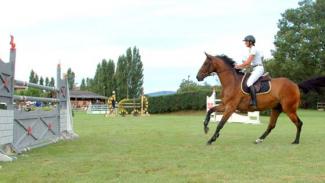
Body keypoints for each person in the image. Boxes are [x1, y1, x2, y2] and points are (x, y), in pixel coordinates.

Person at [235, 35, 264, 109]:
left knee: (249, 82)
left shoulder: (253, 49)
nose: (245, 43)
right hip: (255, 68)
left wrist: (238, 66)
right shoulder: (250, 50)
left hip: (258, 68)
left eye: (246, 41)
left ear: (251, 42)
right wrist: (240, 68)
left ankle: (254, 102)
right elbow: (248, 65)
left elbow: (247, 62)